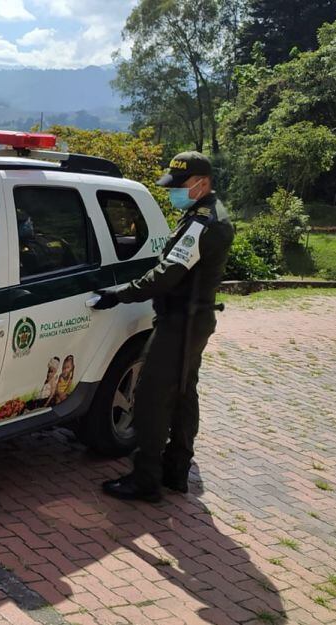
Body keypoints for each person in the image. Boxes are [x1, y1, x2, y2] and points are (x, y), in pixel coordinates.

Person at [93, 151, 234, 502]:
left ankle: (146, 479)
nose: (174, 193)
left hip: (181, 323)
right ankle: (176, 470)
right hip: (191, 319)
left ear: (201, 183)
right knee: (184, 393)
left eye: (180, 186)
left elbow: (168, 273)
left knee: (152, 397)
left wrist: (120, 293)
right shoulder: (207, 213)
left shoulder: (203, 223)